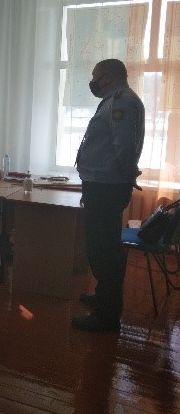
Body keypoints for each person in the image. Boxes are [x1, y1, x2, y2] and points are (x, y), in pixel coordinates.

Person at [73, 59, 144, 332]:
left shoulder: (121, 101)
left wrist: (127, 176)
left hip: (106, 186)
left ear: (107, 76)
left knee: (102, 250)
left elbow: (124, 146)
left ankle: (106, 315)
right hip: (102, 185)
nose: (92, 82)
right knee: (105, 247)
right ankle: (104, 297)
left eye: (95, 76)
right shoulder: (115, 100)